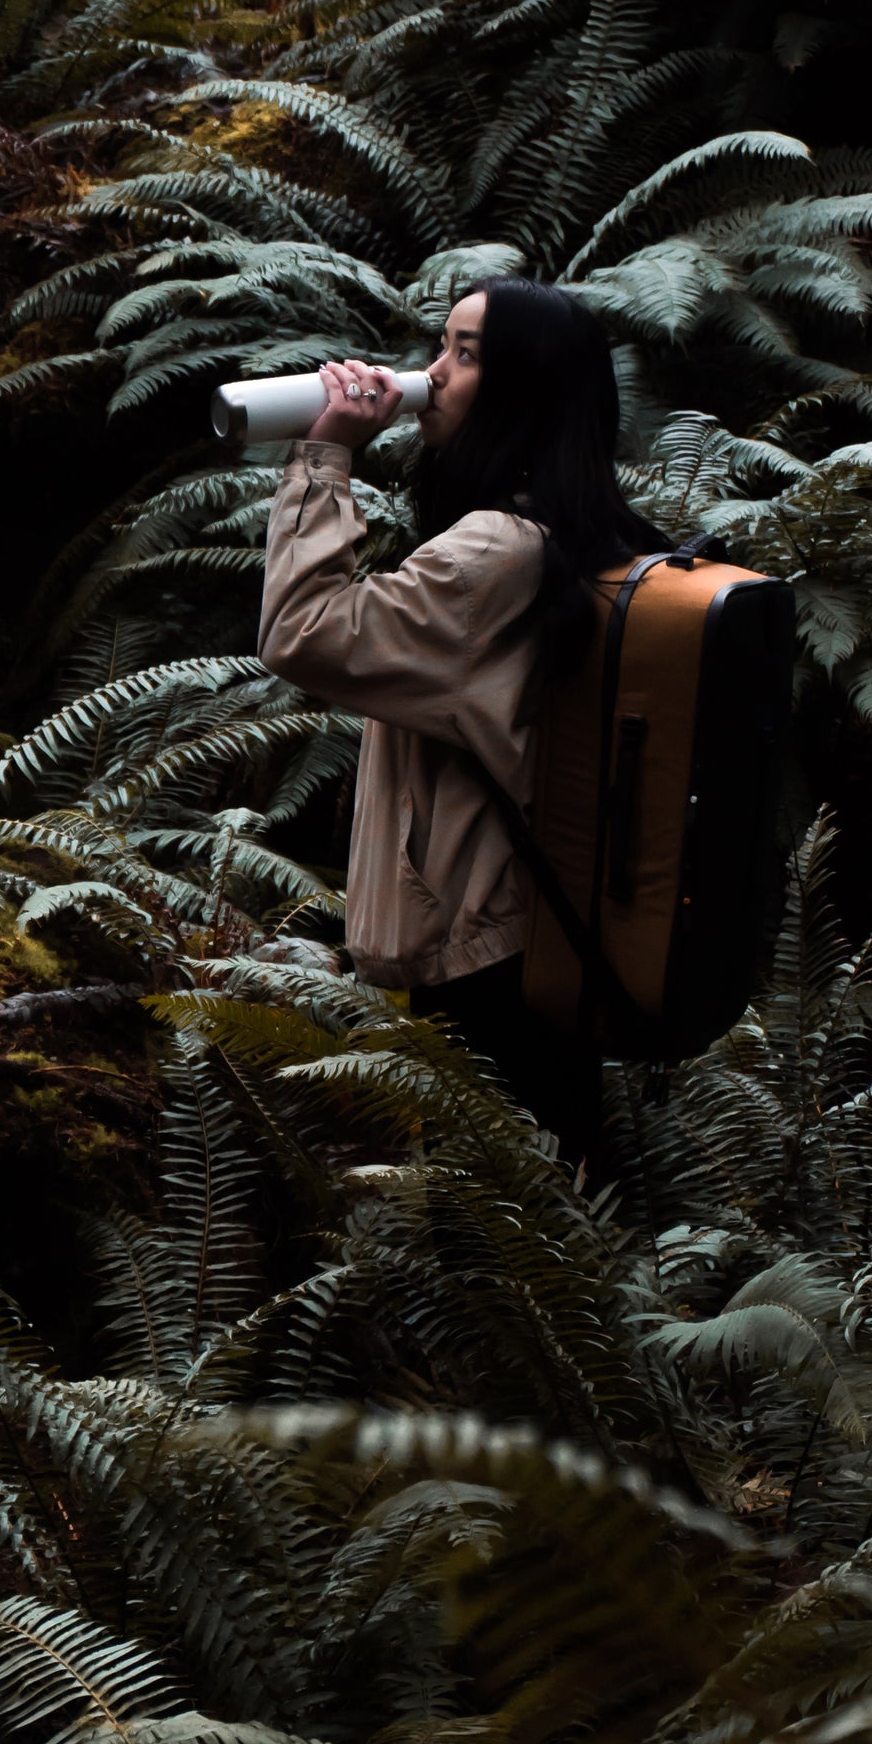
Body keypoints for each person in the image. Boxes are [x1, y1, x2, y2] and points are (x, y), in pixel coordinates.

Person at [257, 276, 665, 1177]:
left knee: (504, 1241)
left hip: (491, 965)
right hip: (529, 938)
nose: (432, 375)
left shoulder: (500, 549)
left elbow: (304, 633)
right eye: (440, 346)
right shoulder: (564, 535)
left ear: (525, 386)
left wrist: (327, 460)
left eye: (465, 353)